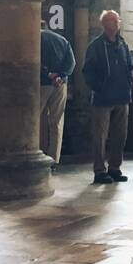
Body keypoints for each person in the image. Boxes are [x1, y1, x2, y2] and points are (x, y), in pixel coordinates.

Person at [82, 9, 133, 184]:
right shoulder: (96, 46)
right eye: (112, 21)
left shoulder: (123, 44)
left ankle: (114, 168)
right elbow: (87, 71)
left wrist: (129, 82)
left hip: (121, 96)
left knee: (120, 135)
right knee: (100, 136)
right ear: (104, 24)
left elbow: (130, 65)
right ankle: (99, 170)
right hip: (103, 98)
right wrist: (99, 86)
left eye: (117, 20)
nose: (116, 23)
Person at [40, 20, 76, 169]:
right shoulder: (62, 40)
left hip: (41, 84)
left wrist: (48, 74)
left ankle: (34, 155)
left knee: (34, 121)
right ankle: (54, 160)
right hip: (60, 85)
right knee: (56, 122)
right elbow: (71, 62)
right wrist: (61, 76)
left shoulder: (35, 39)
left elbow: (34, 60)